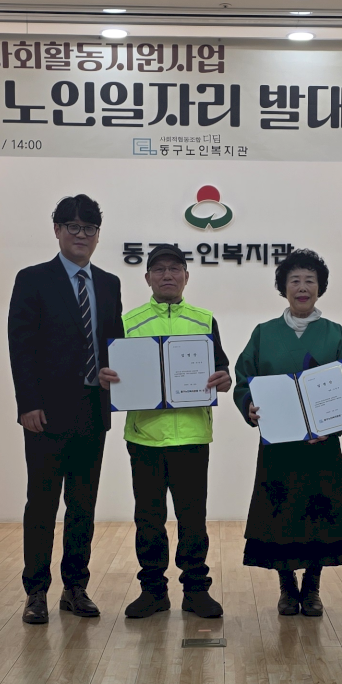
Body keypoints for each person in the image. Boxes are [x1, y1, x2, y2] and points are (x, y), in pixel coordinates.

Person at [6, 194, 125, 625]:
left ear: (98, 235)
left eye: (89, 228)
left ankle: (75, 587)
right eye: (72, 226)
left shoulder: (109, 283)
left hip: (93, 410)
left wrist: (117, 371)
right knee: (41, 505)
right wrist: (27, 404)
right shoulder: (33, 279)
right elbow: (20, 346)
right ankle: (36, 591)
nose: (81, 235)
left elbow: (115, 343)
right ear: (57, 230)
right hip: (46, 415)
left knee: (82, 506)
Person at [233, 248, 342, 618]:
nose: (302, 287)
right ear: (283, 287)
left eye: (309, 280)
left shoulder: (335, 334)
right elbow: (243, 381)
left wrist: (332, 427)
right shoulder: (264, 333)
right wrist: (248, 405)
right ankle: (287, 587)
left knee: (319, 516)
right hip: (279, 445)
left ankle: (313, 587)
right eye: (295, 280)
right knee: (281, 516)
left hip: (321, 446)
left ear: (320, 287)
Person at [120, 244, 234, 619]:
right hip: (145, 437)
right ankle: (153, 591)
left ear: (186, 276)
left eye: (175, 268)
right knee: (148, 520)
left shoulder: (204, 320)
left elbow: (222, 369)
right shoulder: (128, 323)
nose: (167, 275)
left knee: (193, 519)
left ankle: (196, 591)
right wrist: (110, 378)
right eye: (159, 269)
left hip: (191, 437)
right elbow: (115, 372)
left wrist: (224, 379)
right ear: (147, 277)